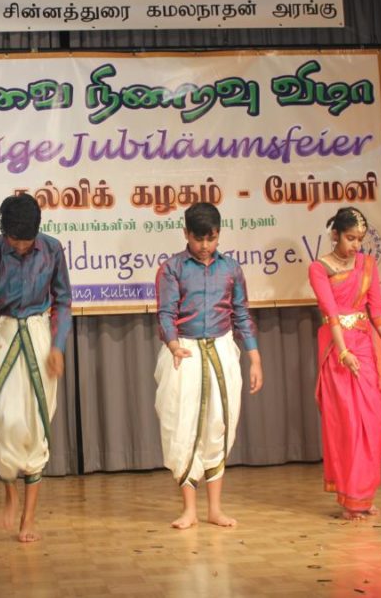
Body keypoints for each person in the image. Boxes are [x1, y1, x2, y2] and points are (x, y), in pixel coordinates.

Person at [154, 202, 263, 530]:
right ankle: (189, 510)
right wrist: (173, 344)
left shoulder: (231, 269)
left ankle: (215, 509)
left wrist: (254, 357)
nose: (205, 245)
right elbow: (166, 313)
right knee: (183, 426)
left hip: (221, 350)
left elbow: (241, 313)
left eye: (211, 238)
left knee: (218, 424)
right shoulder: (172, 269)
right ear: (186, 234)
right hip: (184, 353)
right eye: (198, 238)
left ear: (219, 234)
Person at [0, 193, 72, 543]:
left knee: (35, 422)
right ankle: (9, 492)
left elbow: (63, 301)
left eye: (27, 240)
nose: (22, 246)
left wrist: (58, 347)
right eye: (15, 240)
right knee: (4, 417)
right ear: (5, 233)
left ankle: (29, 517)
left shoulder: (52, 249)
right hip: (2, 335)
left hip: (40, 336)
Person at [308, 206, 381, 520]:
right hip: (338, 351)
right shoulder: (319, 268)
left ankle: (364, 494)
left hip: (367, 347)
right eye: (350, 238)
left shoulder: (367, 264)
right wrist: (344, 351)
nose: (356, 245)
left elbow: (378, 310)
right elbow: (331, 312)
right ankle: (351, 498)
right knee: (347, 422)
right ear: (335, 235)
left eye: (360, 239)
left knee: (374, 421)